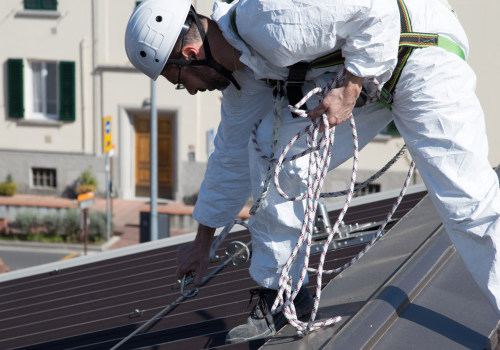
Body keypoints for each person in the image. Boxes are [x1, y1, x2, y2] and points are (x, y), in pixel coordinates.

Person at [125, 0, 500, 344]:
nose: (189, 92)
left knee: (467, 204)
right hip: (369, 75)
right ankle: (285, 293)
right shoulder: (246, 71)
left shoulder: (268, 17)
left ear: (190, 55)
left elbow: (379, 9)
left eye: (180, 81)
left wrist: (350, 89)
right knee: (272, 150)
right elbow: (231, 155)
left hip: (418, 52)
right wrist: (202, 241)